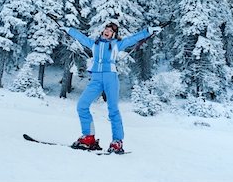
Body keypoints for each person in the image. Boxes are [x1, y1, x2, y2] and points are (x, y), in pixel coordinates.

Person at [60, 22, 162, 153]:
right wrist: (68, 29)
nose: (107, 31)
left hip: (110, 78)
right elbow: (81, 37)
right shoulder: (94, 44)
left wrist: (149, 30)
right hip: (96, 78)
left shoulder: (116, 45)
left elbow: (133, 38)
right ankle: (88, 137)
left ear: (114, 34)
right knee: (82, 105)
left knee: (113, 110)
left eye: (110, 31)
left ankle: (117, 142)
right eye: (106, 29)